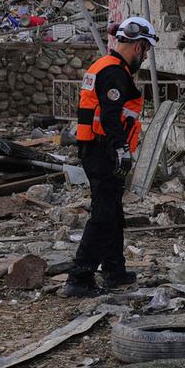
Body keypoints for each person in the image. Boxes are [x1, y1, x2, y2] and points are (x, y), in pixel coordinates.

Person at [65, 15, 158, 298]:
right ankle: (80, 277)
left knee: (113, 212)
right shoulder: (115, 73)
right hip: (103, 151)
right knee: (104, 214)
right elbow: (110, 116)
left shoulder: (104, 67)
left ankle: (114, 270)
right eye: (146, 50)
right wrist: (121, 151)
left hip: (96, 148)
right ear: (139, 46)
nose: (144, 57)